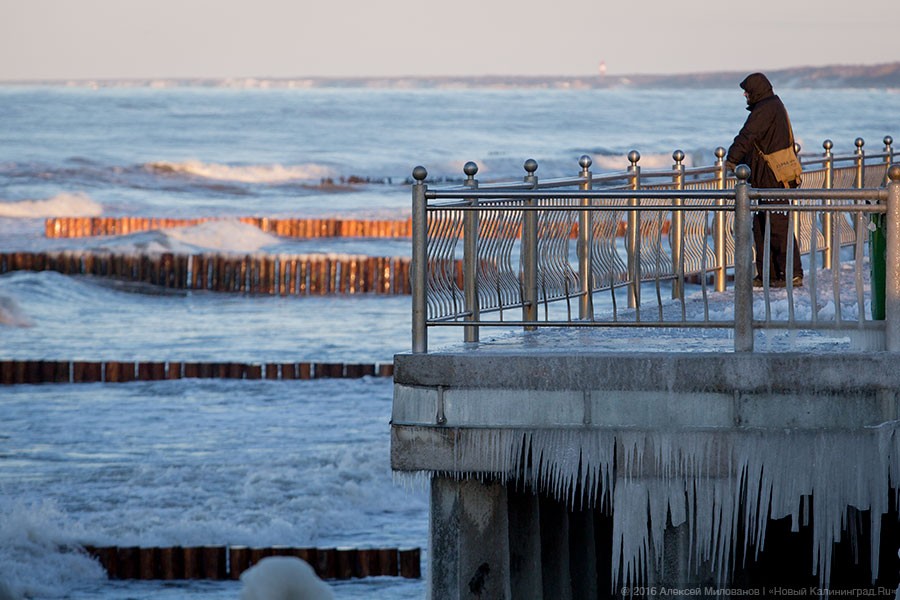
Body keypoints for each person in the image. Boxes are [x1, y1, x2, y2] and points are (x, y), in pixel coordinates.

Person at [725, 72, 803, 288]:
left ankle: (790, 273)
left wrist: (731, 160)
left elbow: (747, 135)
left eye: (747, 91)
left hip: (772, 175)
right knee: (762, 225)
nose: (744, 95)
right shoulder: (771, 105)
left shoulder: (766, 108)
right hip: (765, 175)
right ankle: (768, 274)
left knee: (777, 224)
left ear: (756, 91)